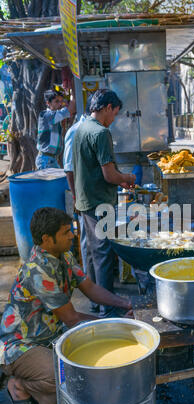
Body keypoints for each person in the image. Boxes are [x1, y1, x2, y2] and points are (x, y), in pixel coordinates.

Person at [0, 207, 133, 404]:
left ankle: (32, 378)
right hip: (20, 344)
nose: (72, 235)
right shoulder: (38, 271)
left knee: (86, 370)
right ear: (47, 239)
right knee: (63, 378)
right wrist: (115, 325)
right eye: (65, 232)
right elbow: (71, 318)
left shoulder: (64, 255)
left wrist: (125, 303)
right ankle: (18, 386)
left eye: (70, 229)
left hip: (50, 336)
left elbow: (90, 288)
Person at [72, 89, 136, 316]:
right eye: (115, 114)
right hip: (99, 202)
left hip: (85, 200)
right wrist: (126, 178)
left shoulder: (81, 128)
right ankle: (107, 309)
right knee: (103, 255)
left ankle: (95, 302)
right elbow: (109, 175)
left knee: (90, 253)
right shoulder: (100, 133)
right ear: (107, 107)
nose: (114, 119)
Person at [63, 94, 94, 274]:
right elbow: (69, 168)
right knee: (88, 242)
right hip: (83, 197)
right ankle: (90, 284)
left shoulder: (92, 129)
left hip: (93, 195)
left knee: (94, 241)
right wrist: (76, 198)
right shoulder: (76, 131)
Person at [36, 89, 76, 170]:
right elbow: (71, 109)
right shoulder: (47, 115)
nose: (60, 104)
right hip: (46, 160)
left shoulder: (55, 117)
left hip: (51, 159)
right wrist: (73, 93)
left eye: (61, 101)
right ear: (48, 103)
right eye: (56, 101)